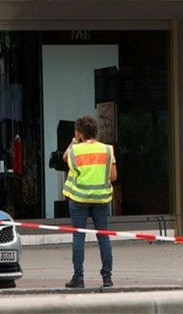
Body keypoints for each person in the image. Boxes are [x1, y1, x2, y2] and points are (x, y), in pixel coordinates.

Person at [62, 115, 118, 289]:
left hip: (79, 199)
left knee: (79, 237)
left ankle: (78, 278)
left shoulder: (75, 151)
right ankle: (107, 278)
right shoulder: (107, 150)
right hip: (101, 199)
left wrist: (74, 140)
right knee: (104, 237)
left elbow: (64, 157)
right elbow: (113, 176)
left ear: (79, 133)